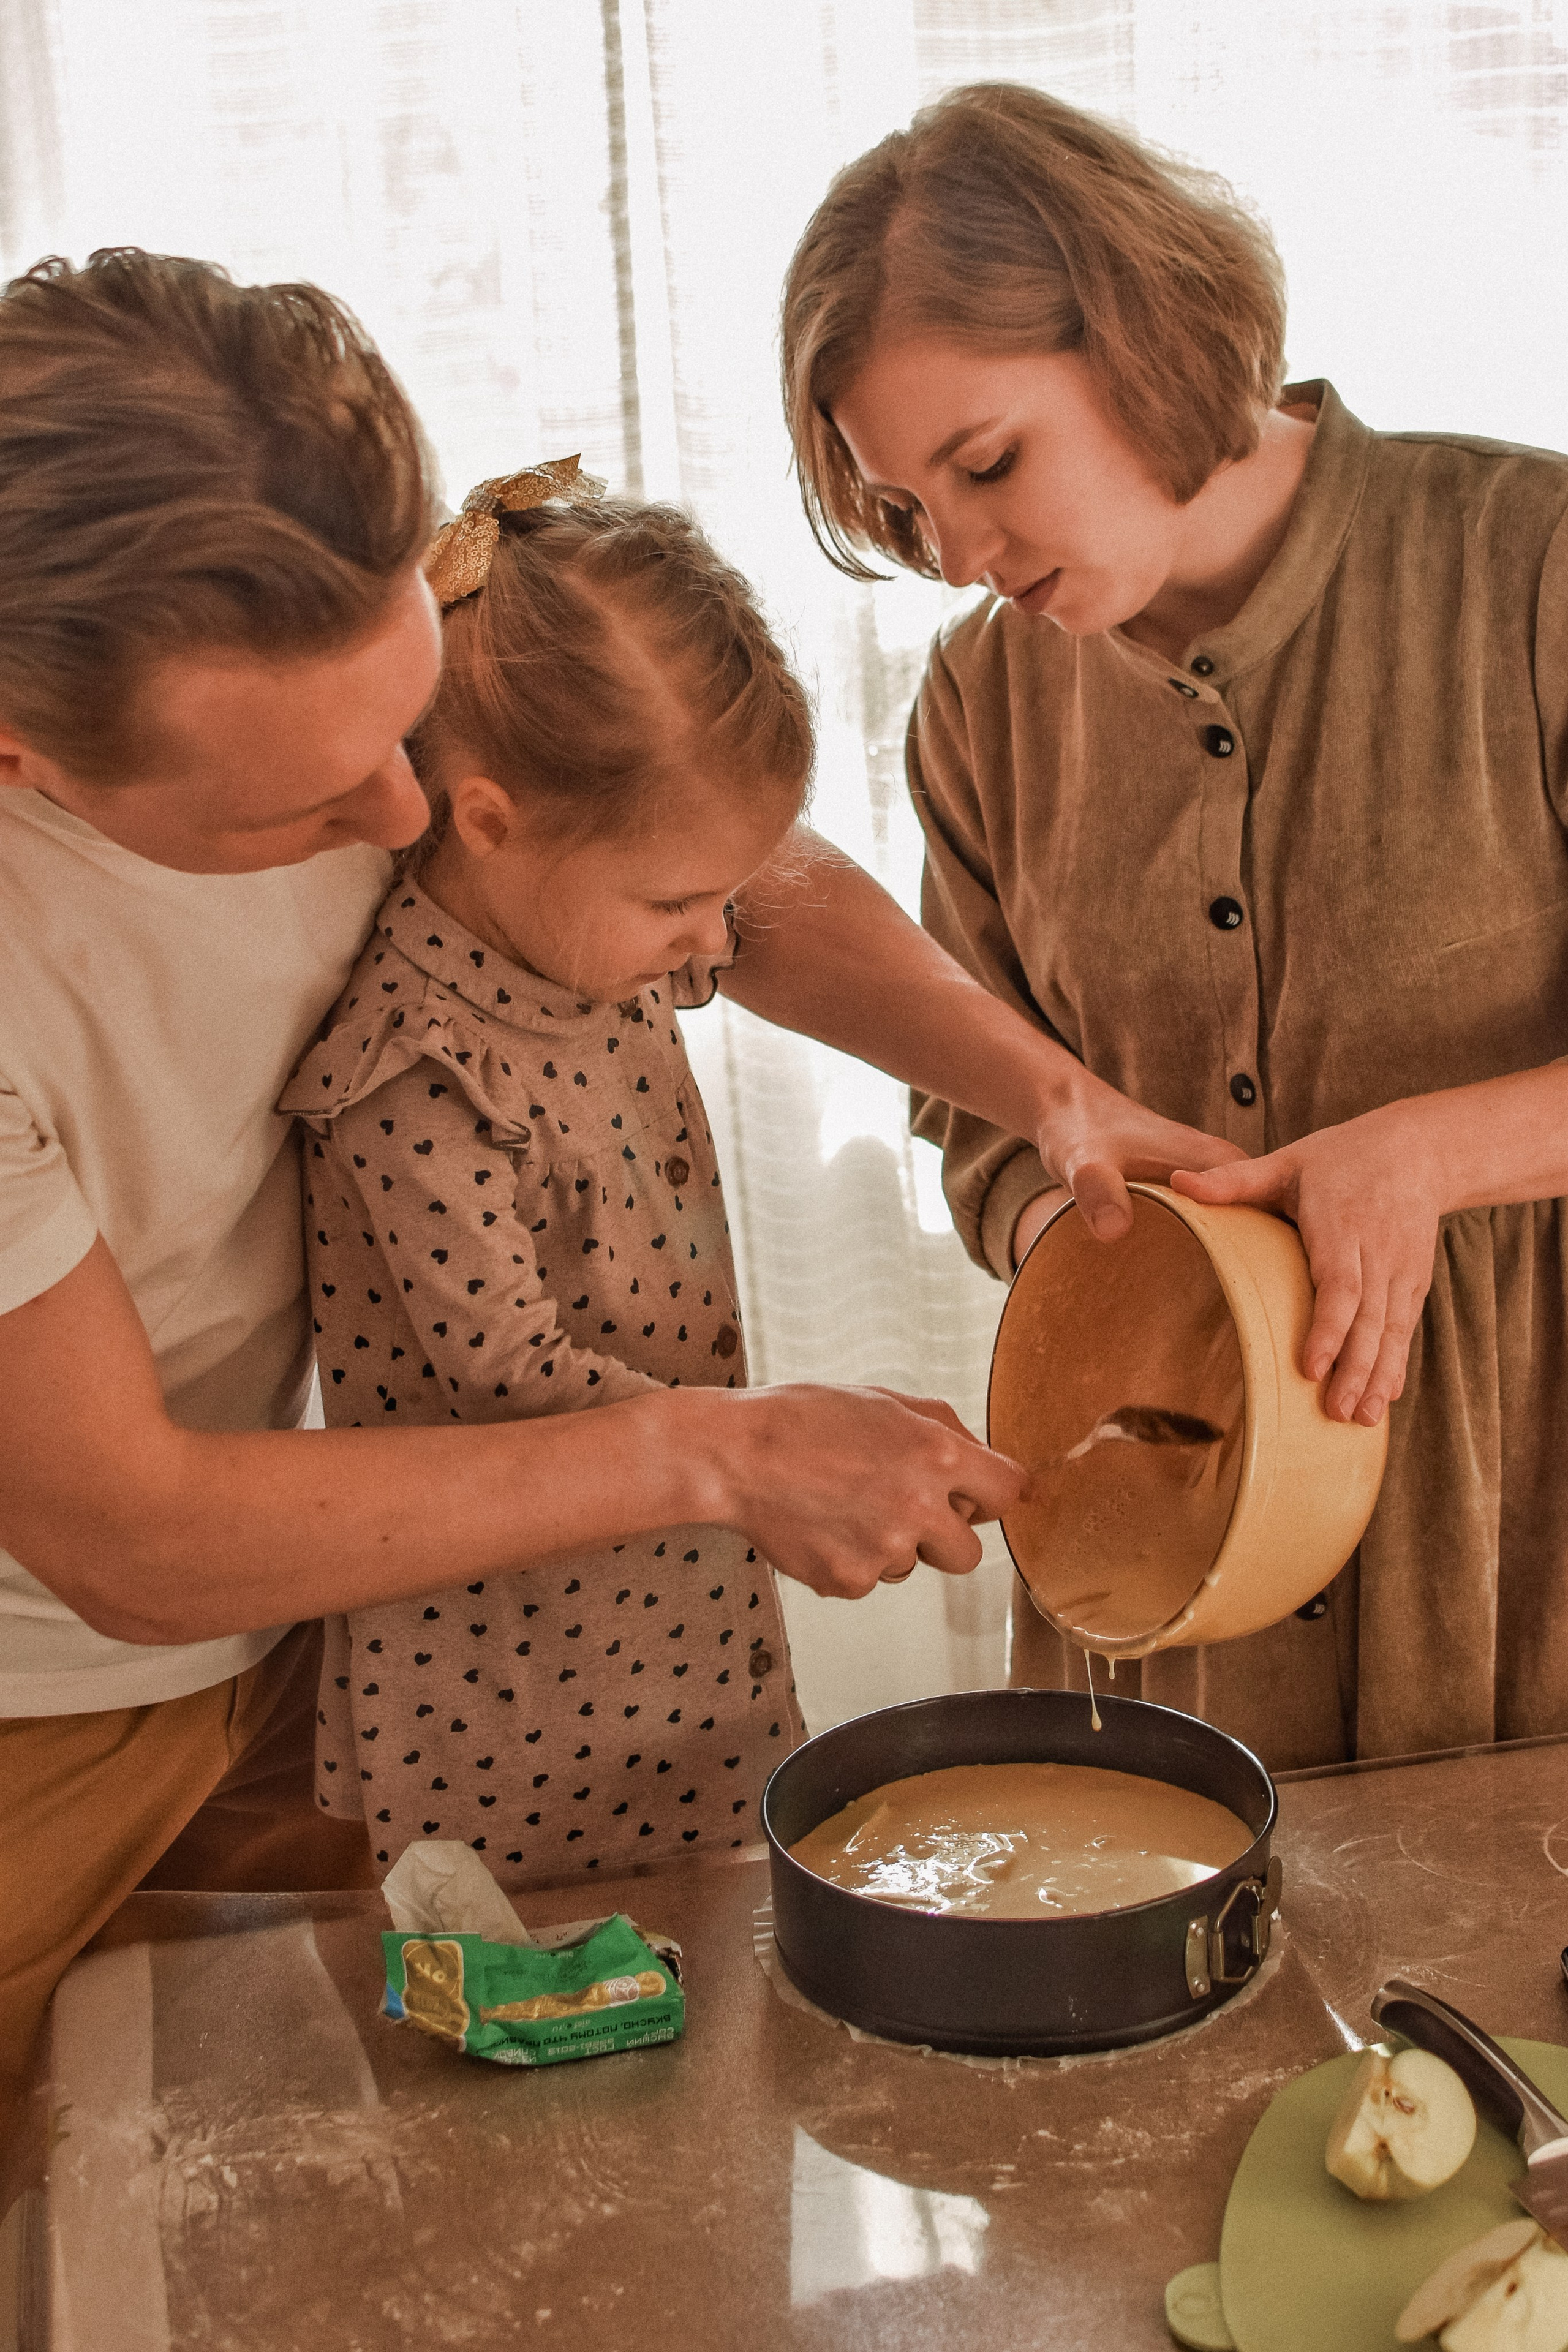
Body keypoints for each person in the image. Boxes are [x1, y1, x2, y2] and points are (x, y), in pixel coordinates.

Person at [0, 247, 1219, 2125]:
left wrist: (1047, 1090)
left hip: (328, 1613)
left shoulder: (333, 600)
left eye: (409, 728)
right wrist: (727, 1455)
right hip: (43, 1707)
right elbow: (134, 1538)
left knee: (363, 2141)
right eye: (310, 806)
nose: (405, 819)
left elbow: (706, 859)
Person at [781, 80, 1568, 1771]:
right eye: (908, 509)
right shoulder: (979, 705)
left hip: (1526, 1528)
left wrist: (1424, 1158)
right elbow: (974, 1109)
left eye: (988, 464)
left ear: (1144, 335)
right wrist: (1093, 1248)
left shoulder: (1532, 569)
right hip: (1168, 1553)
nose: (960, 554)